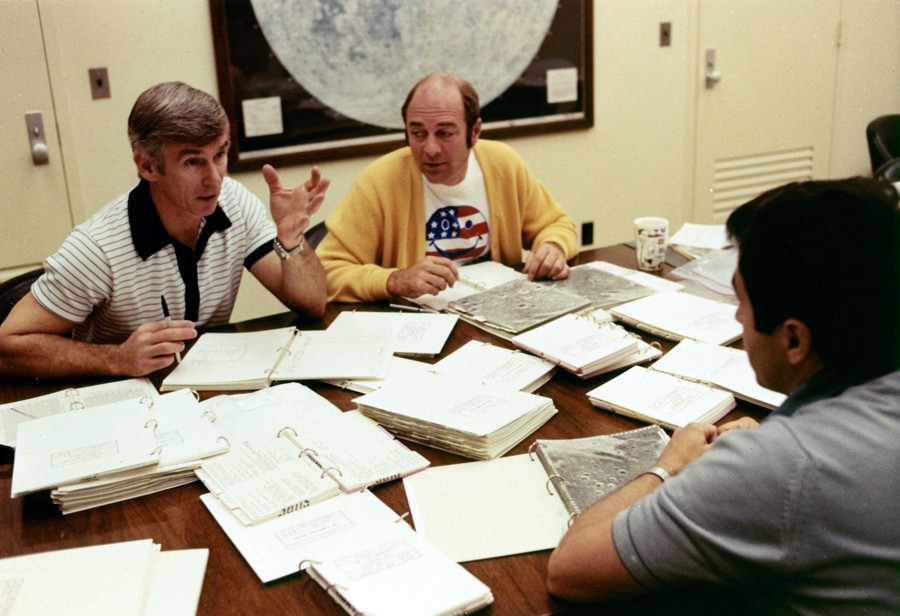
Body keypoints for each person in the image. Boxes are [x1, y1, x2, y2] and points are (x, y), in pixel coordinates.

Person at [546, 177, 900, 615]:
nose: (736, 316)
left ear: (794, 340)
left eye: (742, 300)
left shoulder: (779, 467)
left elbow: (570, 570)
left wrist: (669, 466)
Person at [0, 81, 329, 379]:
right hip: (123, 399)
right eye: (192, 161)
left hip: (202, 386)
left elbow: (313, 304)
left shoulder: (235, 202)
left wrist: (291, 238)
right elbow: (9, 345)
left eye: (219, 154)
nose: (214, 179)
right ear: (147, 166)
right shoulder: (96, 248)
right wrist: (117, 358)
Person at [316, 72, 578, 303]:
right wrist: (394, 280)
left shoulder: (503, 164)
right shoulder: (379, 182)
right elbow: (325, 272)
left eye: (445, 133)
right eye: (417, 133)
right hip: (418, 323)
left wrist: (552, 247)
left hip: (500, 309)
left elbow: (556, 224)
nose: (429, 149)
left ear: (474, 132)